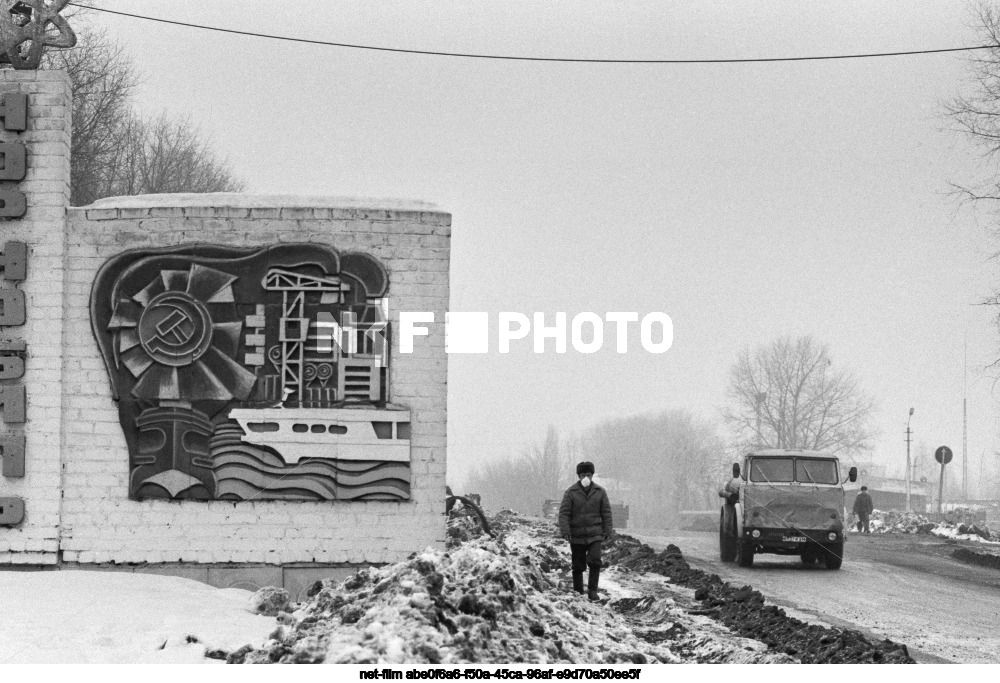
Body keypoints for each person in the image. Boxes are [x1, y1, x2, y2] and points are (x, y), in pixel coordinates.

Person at [558, 461, 613, 601]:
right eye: (583, 475)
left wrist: (607, 530)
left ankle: (592, 590)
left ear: (592, 475)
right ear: (578, 476)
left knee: (595, 561)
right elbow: (564, 513)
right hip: (576, 535)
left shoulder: (600, 492)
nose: (586, 478)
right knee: (578, 564)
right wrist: (565, 530)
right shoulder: (571, 492)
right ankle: (578, 591)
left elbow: (606, 512)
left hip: (595, 534)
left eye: (588, 475)